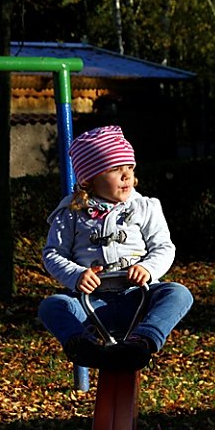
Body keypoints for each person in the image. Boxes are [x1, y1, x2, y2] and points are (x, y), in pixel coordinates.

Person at [38, 125, 193, 371]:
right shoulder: (71, 212)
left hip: (137, 297)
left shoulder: (145, 207)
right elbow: (53, 253)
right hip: (92, 302)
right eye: (115, 169)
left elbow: (163, 247)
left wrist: (147, 268)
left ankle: (142, 341)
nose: (126, 176)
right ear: (89, 178)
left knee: (179, 293)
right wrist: (77, 275)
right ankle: (83, 346)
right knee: (52, 305)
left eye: (130, 168)